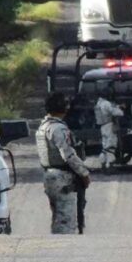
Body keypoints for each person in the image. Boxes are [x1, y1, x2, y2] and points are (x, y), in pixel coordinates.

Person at [36, 92, 91, 234]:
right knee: (66, 220)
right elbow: (68, 154)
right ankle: (63, 250)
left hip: (49, 175)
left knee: (57, 217)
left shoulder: (43, 127)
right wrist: (83, 173)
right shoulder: (58, 128)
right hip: (62, 177)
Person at [94, 85, 124, 172]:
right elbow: (116, 113)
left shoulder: (98, 103)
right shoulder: (106, 103)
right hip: (109, 125)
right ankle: (110, 166)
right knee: (111, 146)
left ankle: (103, 164)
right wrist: (120, 108)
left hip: (102, 126)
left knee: (105, 147)